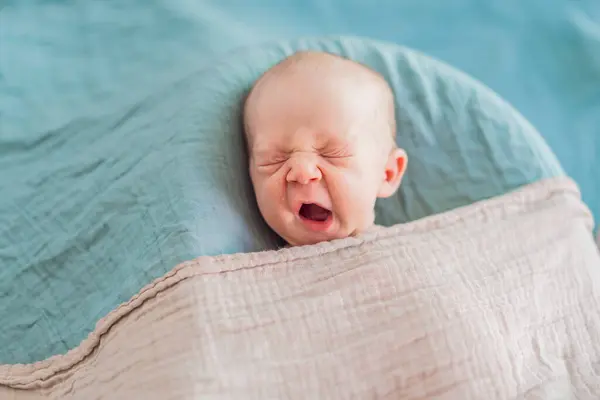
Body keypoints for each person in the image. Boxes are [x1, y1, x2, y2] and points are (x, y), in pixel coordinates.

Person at [243, 50, 407, 246]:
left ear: (388, 173)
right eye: (275, 158)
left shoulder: (413, 250)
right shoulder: (250, 272)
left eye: (333, 153)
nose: (302, 172)